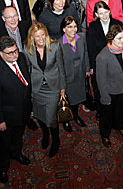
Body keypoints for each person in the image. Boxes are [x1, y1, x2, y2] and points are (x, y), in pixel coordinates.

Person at [24, 23, 67, 158]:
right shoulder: (27, 50)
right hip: (37, 88)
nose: (41, 38)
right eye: (37, 36)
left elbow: (61, 68)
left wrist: (63, 87)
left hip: (53, 87)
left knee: (51, 118)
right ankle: (45, 135)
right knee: (39, 115)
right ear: (32, 38)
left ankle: (56, 140)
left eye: (43, 35)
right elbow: (28, 70)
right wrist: (29, 89)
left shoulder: (55, 47)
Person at [96, 24, 123, 148]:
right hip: (110, 90)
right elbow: (100, 80)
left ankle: (119, 126)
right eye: (119, 38)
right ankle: (105, 134)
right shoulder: (102, 56)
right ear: (111, 38)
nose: (122, 41)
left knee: (119, 110)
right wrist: (105, 97)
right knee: (106, 115)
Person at [0, 36, 31, 184]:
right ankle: (3, 168)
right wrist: (0, 120)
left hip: (23, 110)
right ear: (1, 54)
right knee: (4, 144)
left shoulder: (22, 57)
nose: (14, 55)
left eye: (15, 51)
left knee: (18, 136)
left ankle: (17, 153)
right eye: (10, 53)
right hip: (7, 116)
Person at [87, 2, 123, 115]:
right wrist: (92, 66)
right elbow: (90, 48)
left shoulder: (118, 24)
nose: (104, 16)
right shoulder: (93, 27)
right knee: (100, 87)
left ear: (110, 11)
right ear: (96, 14)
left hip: (116, 63)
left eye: (106, 12)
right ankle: (101, 109)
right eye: (101, 13)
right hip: (100, 63)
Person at [58, 16, 90, 131]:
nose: (73, 29)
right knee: (68, 100)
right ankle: (66, 120)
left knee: (77, 98)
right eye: (69, 27)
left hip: (80, 75)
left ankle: (75, 115)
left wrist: (87, 68)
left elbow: (86, 53)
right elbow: (59, 66)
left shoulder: (81, 38)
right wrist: (62, 84)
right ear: (63, 29)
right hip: (67, 77)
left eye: (75, 26)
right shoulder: (59, 45)